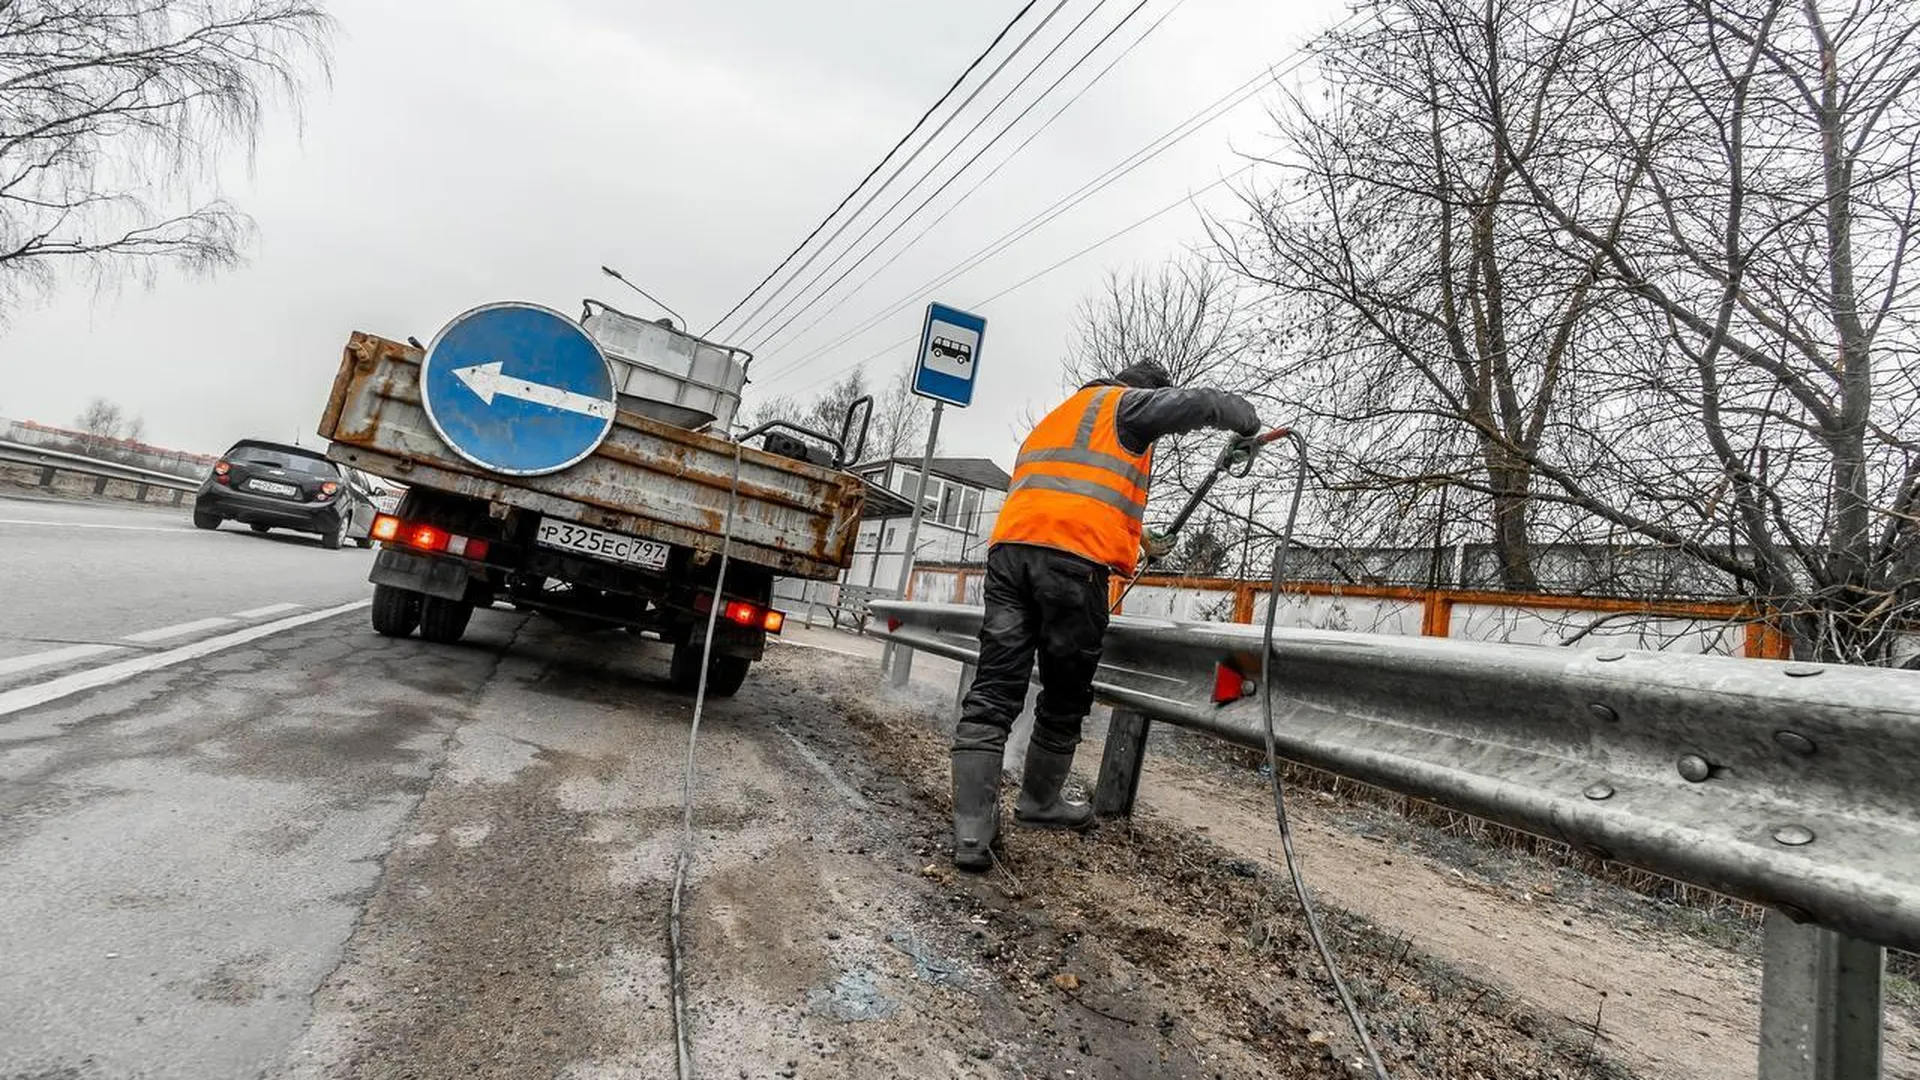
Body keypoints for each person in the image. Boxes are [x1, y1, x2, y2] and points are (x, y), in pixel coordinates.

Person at [950, 359, 1261, 871]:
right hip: (1070, 567)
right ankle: (1039, 802)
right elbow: (1203, 405)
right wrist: (1245, 420)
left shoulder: (1063, 415)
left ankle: (971, 834)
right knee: (1066, 690)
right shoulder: (1128, 405)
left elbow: (1068, 494)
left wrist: (1138, 539)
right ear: (1147, 393)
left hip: (1010, 558)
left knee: (993, 689)